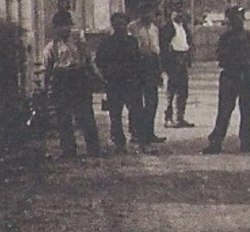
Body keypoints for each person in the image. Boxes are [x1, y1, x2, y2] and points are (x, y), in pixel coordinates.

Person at [203, 5, 250, 154]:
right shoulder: (233, 38)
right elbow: (221, 57)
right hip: (236, 76)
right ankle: (223, 142)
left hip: (239, 76)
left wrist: (248, 61)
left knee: (241, 111)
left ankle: (237, 142)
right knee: (229, 111)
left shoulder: (244, 37)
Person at [43, 10, 102, 158]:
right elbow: (48, 69)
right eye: (61, 26)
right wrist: (46, 87)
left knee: (85, 114)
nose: (65, 29)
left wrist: (97, 77)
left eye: (67, 25)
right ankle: (68, 149)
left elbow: (89, 61)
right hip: (61, 80)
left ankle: (94, 148)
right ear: (55, 28)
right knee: (64, 117)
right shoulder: (51, 47)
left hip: (78, 78)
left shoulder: (79, 43)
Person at [93, 12, 146, 153]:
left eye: (123, 24)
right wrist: (106, 76)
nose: (120, 27)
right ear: (113, 25)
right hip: (114, 82)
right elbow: (99, 61)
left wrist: (139, 77)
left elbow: (139, 60)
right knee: (115, 114)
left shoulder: (132, 41)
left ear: (126, 25)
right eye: (117, 24)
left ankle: (139, 140)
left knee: (136, 112)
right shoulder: (106, 43)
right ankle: (119, 142)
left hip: (131, 81)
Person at [129, 9, 165, 146]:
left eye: (150, 12)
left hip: (152, 63)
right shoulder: (132, 27)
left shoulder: (155, 28)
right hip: (138, 64)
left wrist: (159, 71)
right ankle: (136, 133)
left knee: (152, 101)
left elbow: (157, 50)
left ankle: (149, 132)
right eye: (145, 11)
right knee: (136, 101)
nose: (148, 15)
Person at [160, 7, 193, 127]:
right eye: (176, 12)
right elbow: (164, 46)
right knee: (170, 91)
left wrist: (188, 59)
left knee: (183, 90)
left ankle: (180, 117)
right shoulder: (167, 28)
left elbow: (188, 43)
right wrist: (166, 65)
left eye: (181, 12)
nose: (179, 14)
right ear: (171, 14)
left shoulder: (183, 27)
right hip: (172, 60)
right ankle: (168, 118)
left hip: (182, 59)